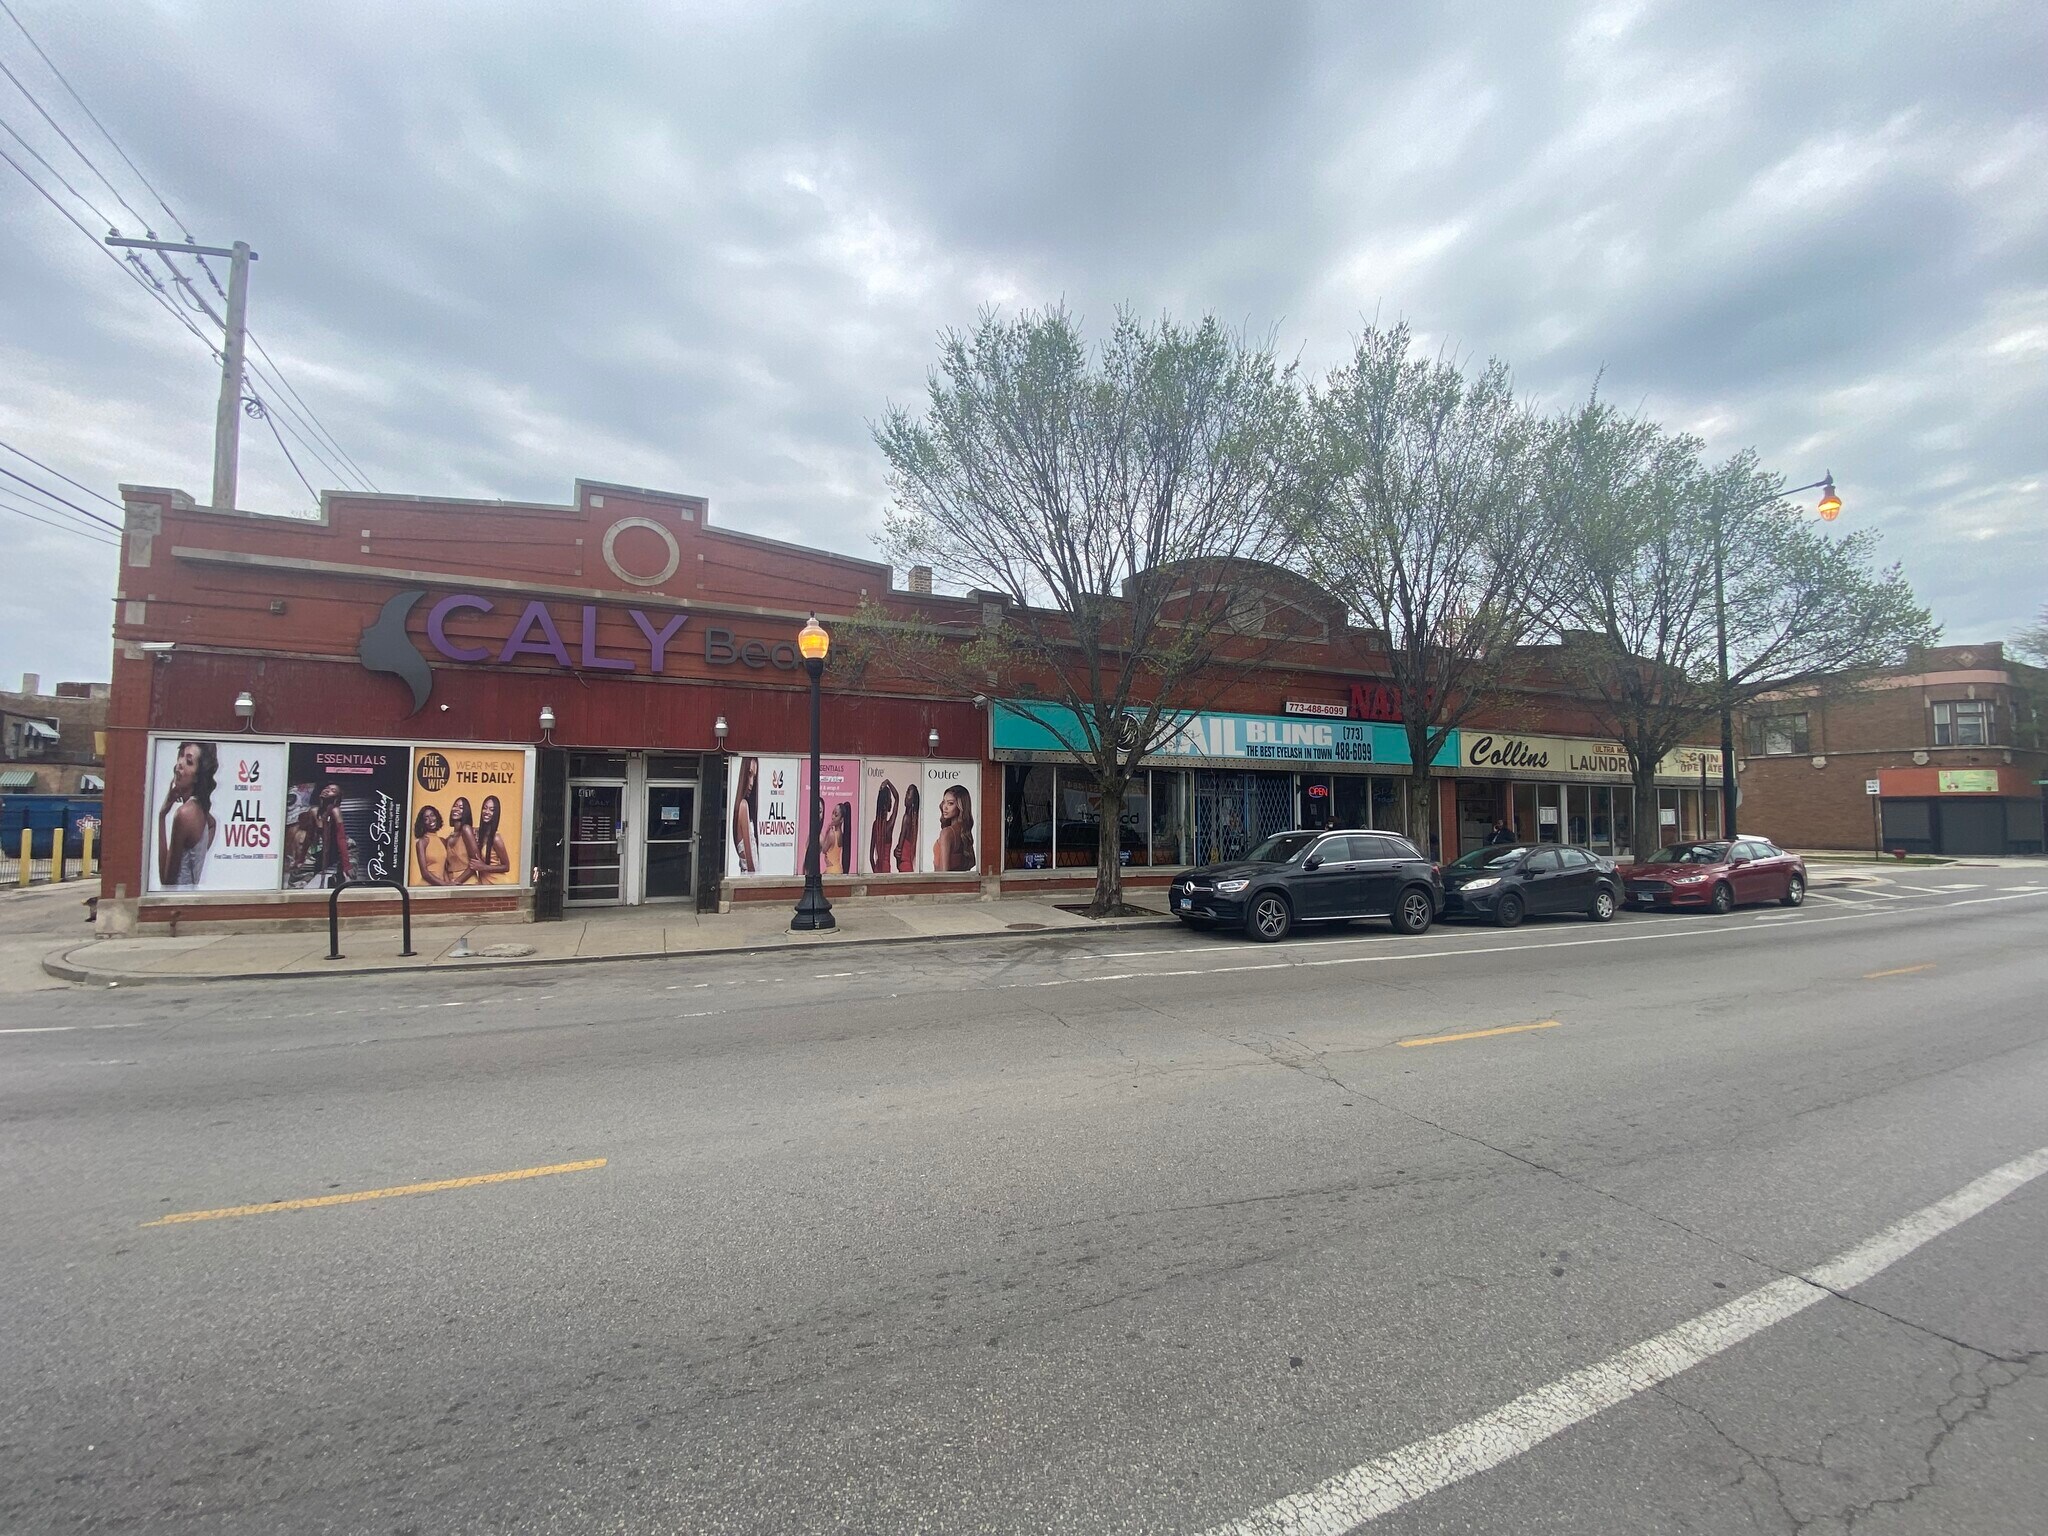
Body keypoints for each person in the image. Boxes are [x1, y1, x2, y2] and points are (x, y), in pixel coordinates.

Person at [157, 740, 218, 888]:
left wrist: (162, 816)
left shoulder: (184, 814)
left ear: (198, 776)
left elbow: (167, 881)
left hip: (177, 903)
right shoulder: (201, 812)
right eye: (181, 755)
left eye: (189, 762)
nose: (180, 764)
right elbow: (212, 825)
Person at [314, 783, 354, 885]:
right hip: (330, 848)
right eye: (327, 787)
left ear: (336, 798)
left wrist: (346, 865)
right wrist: (300, 859)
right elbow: (309, 837)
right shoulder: (316, 812)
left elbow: (341, 838)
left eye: (333, 790)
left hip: (347, 848)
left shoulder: (335, 811)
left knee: (346, 879)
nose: (327, 790)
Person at [931, 784, 975, 872]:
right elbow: (972, 862)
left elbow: (945, 874)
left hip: (942, 884)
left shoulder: (947, 833)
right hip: (959, 883)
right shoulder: (963, 832)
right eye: (944, 802)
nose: (945, 807)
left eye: (950, 803)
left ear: (960, 806)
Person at [471, 794, 514, 884]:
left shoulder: (496, 838)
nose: (487, 812)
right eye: (485, 808)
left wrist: (483, 867)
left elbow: (506, 867)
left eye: (491, 810)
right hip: (485, 884)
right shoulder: (480, 833)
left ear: (496, 814)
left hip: (498, 884)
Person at [732, 757, 760, 874]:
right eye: (749, 774)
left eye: (754, 777)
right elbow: (749, 858)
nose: (752, 783)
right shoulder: (743, 806)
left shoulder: (742, 806)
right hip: (750, 877)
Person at [442, 796, 480, 884]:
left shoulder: (466, 830)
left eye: (461, 807)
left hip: (467, 882)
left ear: (466, 812)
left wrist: (457, 881)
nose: (456, 809)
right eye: (455, 806)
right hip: (451, 882)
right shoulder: (448, 838)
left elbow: (476, 861)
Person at [413, 804, 452, 885]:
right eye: (426, 818)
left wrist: (449, 885)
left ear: (437, 817)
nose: (430, 820)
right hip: (427, 887)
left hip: (440, 886)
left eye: (432, 815)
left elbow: (444, 869)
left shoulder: (442, 841)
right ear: (422, 822)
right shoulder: (422, 842)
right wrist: (445, 885)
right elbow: (425, 873)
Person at [867, 779, 898, 876]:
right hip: (886, 869)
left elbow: (871, 857)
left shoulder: (875, 825)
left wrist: (875, 872)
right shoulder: (890, 825)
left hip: (877, 867)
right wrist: (888, 782)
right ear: (888, 803)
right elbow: (897, 798)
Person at [893, 783, 921, 872]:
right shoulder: (914, 822)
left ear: (913, 801)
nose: (906, 796)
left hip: (903, 864)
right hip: (908, 865)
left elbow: (899, 851)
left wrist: (895, 852)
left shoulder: (906, 818)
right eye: (906, 793)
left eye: (908, 793)